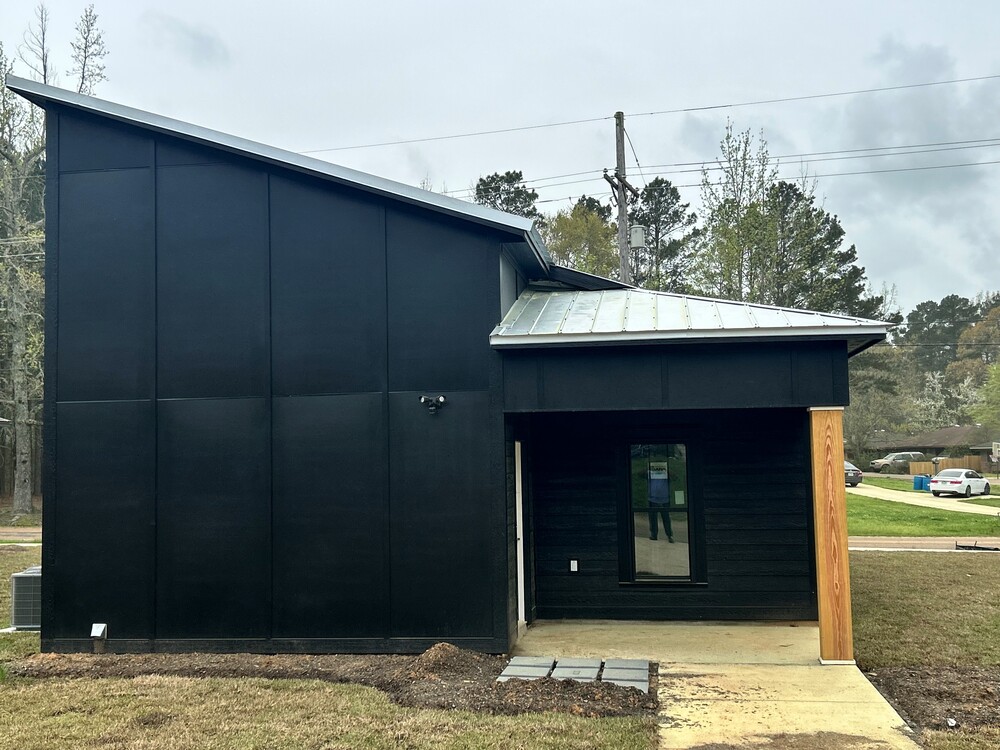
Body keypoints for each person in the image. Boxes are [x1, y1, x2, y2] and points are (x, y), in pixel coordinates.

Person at [647, 460, 674, 542]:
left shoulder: (666, 473)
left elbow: (675, 477)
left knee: (666, 517)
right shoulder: (650, 472)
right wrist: (650, 468)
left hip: (664, 499)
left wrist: (666, 470)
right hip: (652, 498)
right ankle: (654, 535)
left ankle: (669, 535)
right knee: (653, 518)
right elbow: (639, 474)